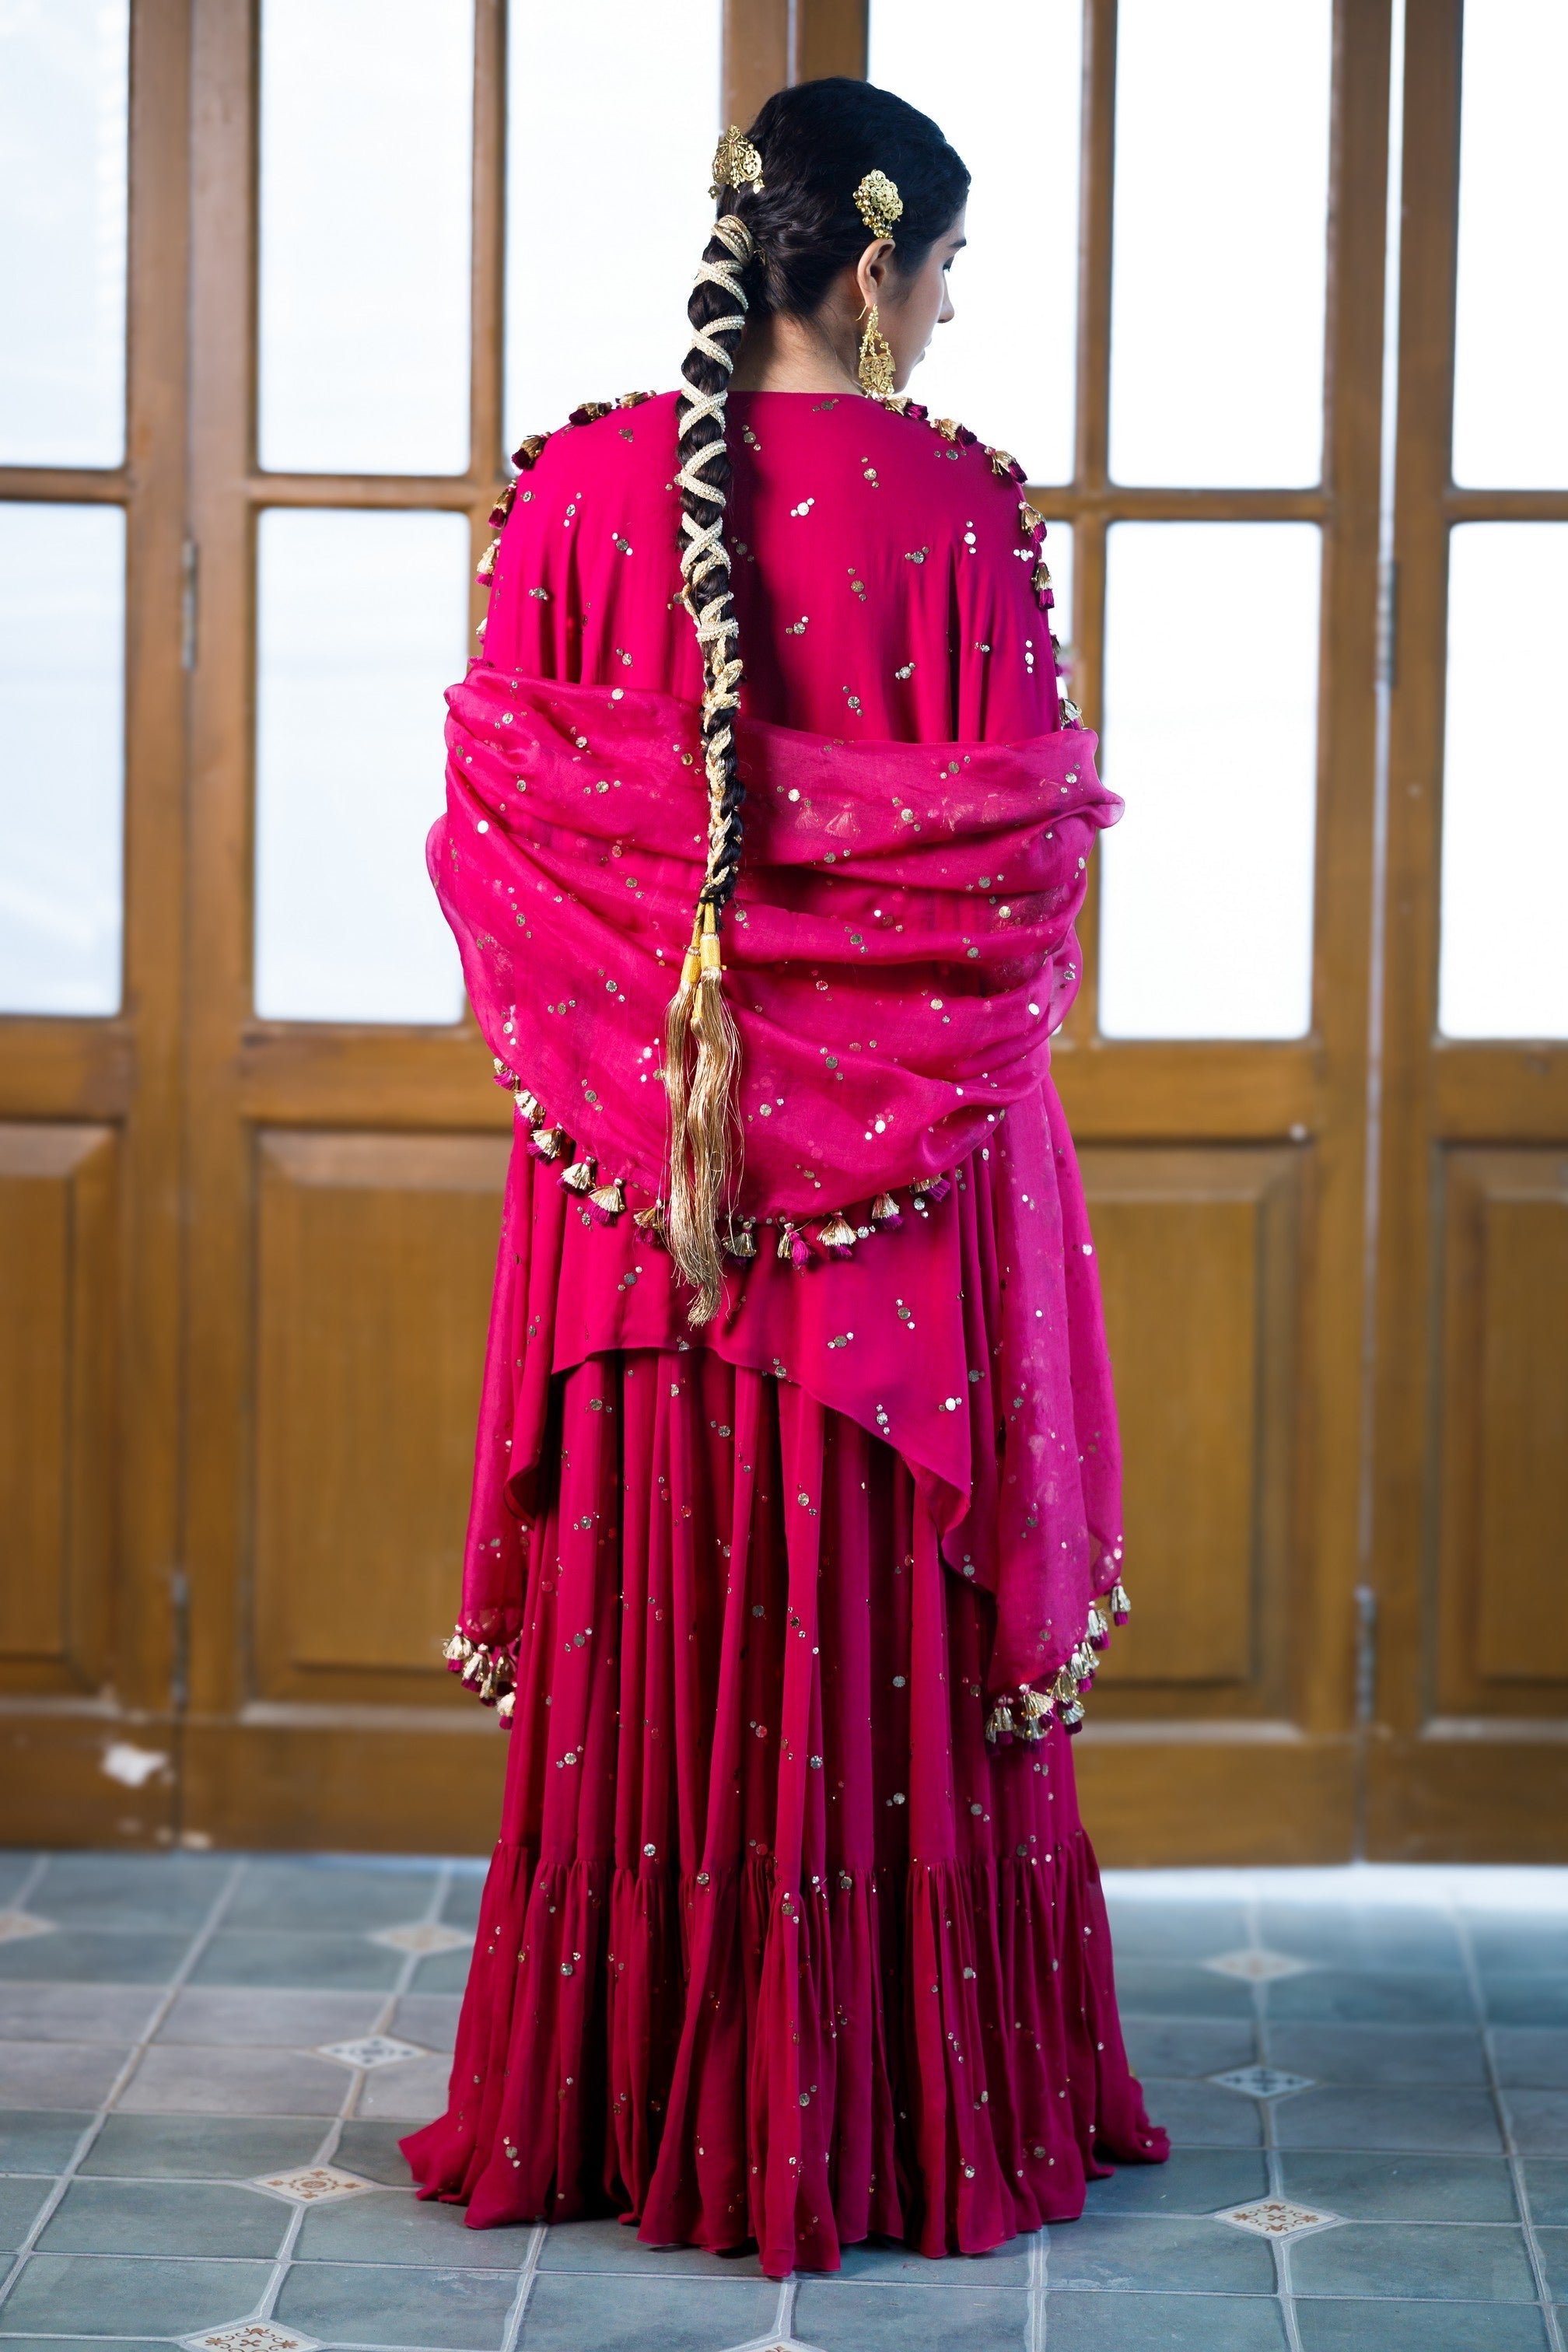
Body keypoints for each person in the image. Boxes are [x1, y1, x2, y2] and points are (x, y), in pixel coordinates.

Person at [401, 75, 1167, 2279]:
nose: (939, 321)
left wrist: (676, 1092)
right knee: (883, 1673)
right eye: (941, 280)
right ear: (869, 263)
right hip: (904, 1230)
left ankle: (618, 2102)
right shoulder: (955, 512)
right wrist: (869, 1084)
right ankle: (895, 2107)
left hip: (641, 1207)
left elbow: (507, 857)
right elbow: (1013, 905)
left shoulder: (569, 497)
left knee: (665, 1628)